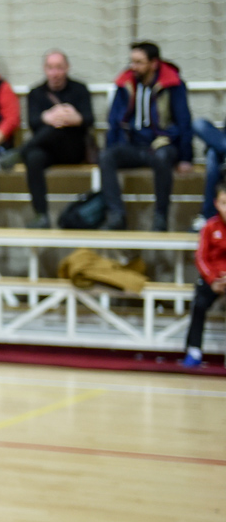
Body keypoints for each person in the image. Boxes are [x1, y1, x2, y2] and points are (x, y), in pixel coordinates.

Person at [101, 41, 192, 231]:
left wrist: (186, 157)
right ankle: (116, 215)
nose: (133, 67)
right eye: (132, 61)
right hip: (133, 145)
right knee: (106, 156)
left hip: (162, 143)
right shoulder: (125, 84)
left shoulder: (172, 84)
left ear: (154, 63)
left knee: (162, 156)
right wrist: (113, 144)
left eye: (139, 62)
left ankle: (160, 217)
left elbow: (183, 121)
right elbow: (114, 120)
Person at [19, 51, 94, 227]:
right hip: (47, 149)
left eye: (59, 67)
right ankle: (41, 215)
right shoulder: (36, 93)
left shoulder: (79, 89)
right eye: (51, 68)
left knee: (59, 128)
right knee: (33, 157)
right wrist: (48, 117)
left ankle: (19, 152)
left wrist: (74, 118)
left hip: (73, 149)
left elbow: (89, 120)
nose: (55, 73)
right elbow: (33, 123)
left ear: (67, 68)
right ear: (45, 69)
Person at [184, 178, 226, 368]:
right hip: (212, 279)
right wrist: (213, 279)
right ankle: (194, 350)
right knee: (199, 304)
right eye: (223, 203)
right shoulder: (209, 226)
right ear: (216, 203)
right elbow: (201, 257)